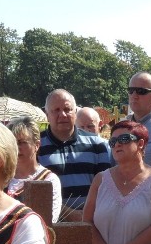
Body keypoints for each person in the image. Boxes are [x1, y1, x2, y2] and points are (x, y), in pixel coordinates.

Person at [38, 89, 111, 219]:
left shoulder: (98, 145)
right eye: (56, 110)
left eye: (67, 109)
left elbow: (106, 188)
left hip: (91, 221)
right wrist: (69, 213)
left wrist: (87, 214)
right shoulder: (35, 146)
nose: (63, 115)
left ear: (76, 112)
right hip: (48, 223)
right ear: (47, 114)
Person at [6, 116, 62, 223]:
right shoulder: (2, 177)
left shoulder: (49, 179)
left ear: (37, 145)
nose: (17, 148)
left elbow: (50, 220)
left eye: (22, 142)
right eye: (12, 143)